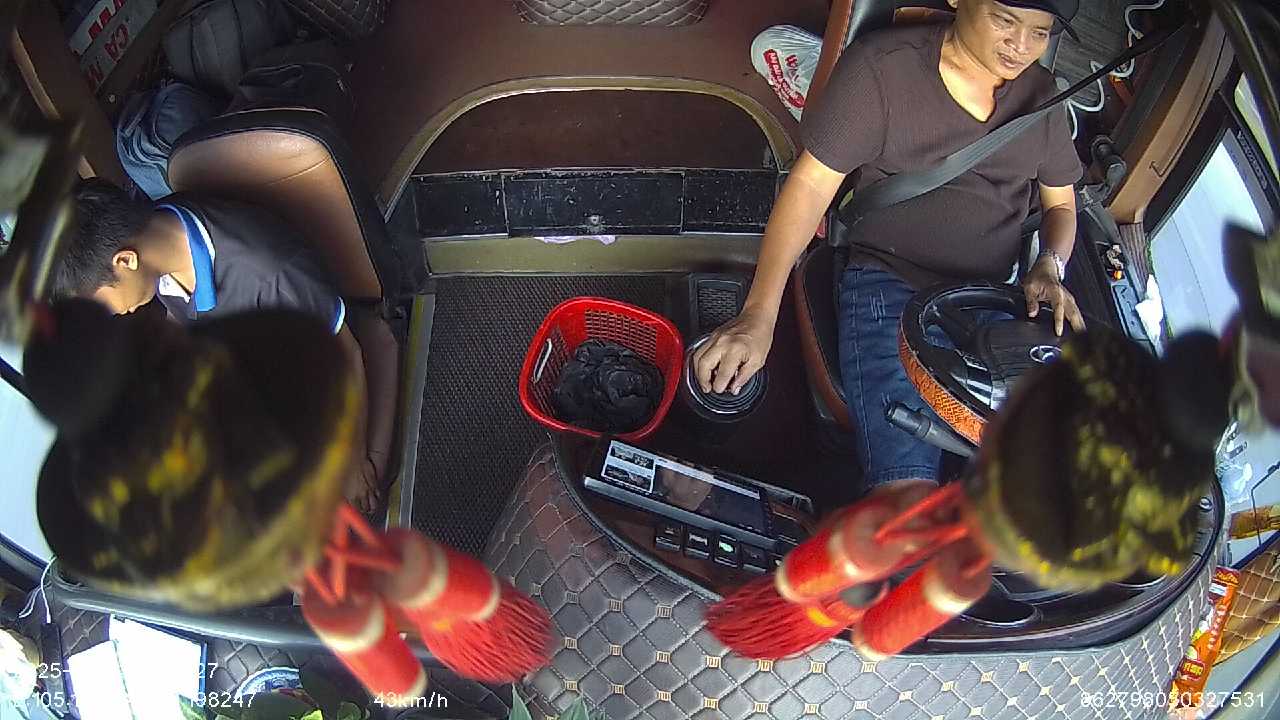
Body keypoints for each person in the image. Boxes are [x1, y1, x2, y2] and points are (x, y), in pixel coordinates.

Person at [694, 0, 1085, 491]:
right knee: (906, 491)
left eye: (1040, 33)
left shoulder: (1043, 97)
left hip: (989, 299)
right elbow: (810, 187)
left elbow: (1061, 206)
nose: (1021, 46)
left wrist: (1050, 264)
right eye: (1004, 21)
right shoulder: (883, 71)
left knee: (1045, 481)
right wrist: (759, 314)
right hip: (888, 281)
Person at [52, 179, 398, 513]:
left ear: (125, 261)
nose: (110, 315)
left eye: (100, 306)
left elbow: (347, 356)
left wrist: (355, 463)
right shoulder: (162, 234)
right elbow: (184, 319)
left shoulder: (270, 274)